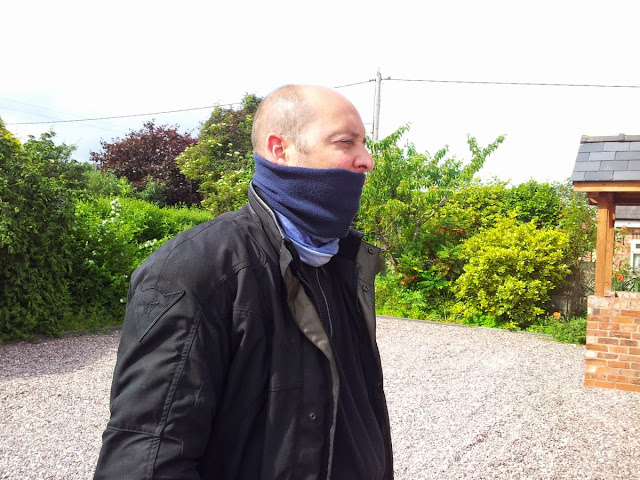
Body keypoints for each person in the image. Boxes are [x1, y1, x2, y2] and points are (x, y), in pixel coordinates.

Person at [94, 84, 394, 480]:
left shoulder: (340, 261)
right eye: (346, 142)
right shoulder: (195, 271)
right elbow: (144, 461)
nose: (367, 160)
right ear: (279, 149)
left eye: (364, 144)